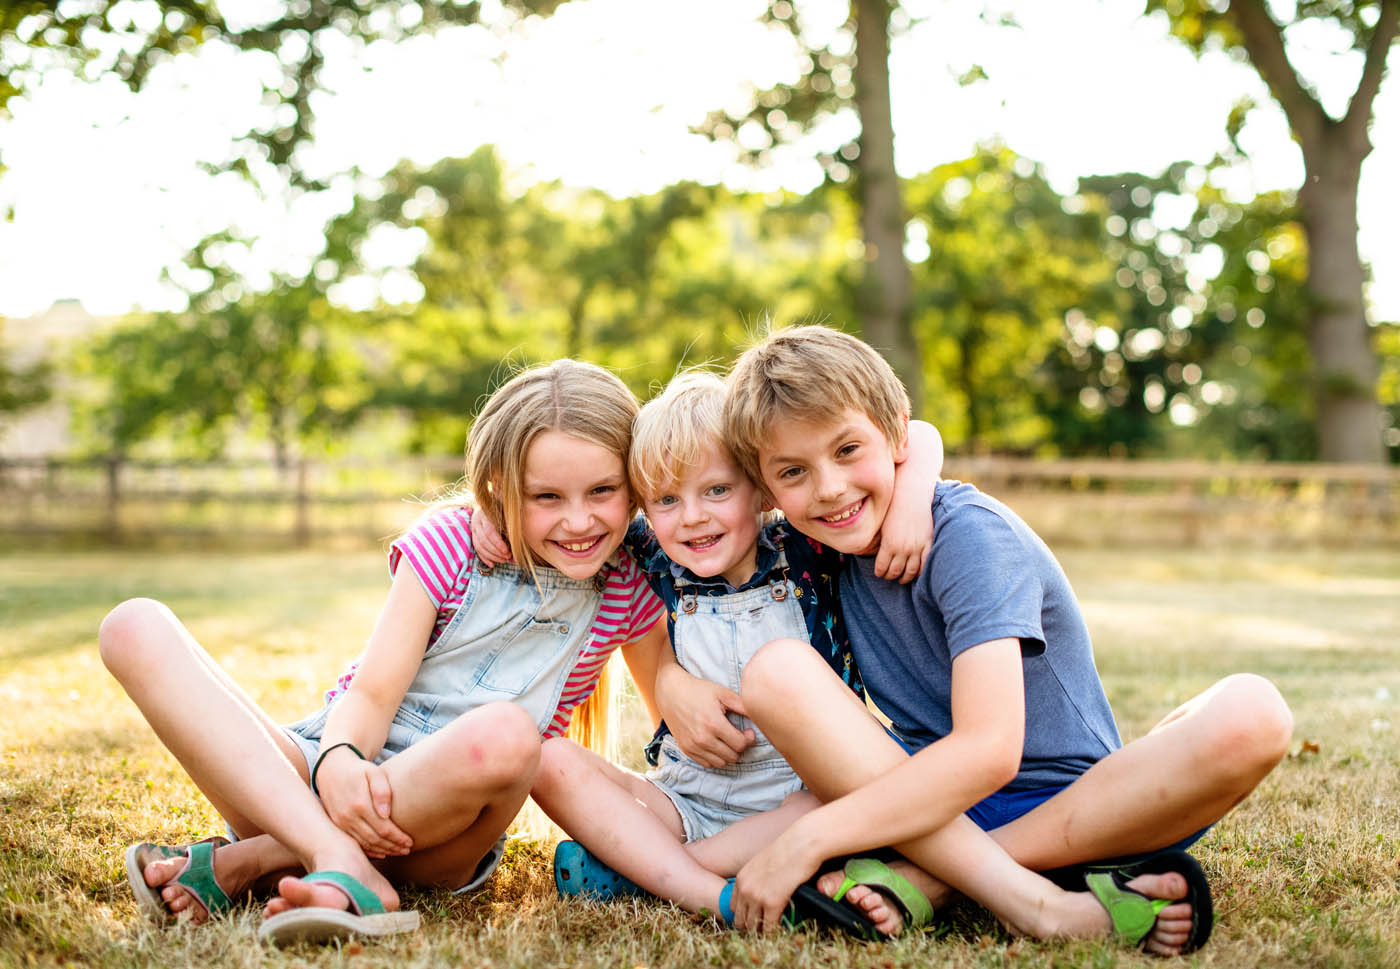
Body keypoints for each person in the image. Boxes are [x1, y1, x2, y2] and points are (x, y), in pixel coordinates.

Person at [717, 324, 1293, 955]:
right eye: (794, 472)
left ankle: (949, 881)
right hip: (925, 806)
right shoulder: (817, 546)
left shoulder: (970, 538)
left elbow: (991, 752)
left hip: (1075, 810)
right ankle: (1022, 892)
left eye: (848, 450)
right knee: (776, 670)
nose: (828, 487)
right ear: (768, 491)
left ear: (896, 440)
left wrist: (809, 840)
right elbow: (675, 529)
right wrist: (671, 682)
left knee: (1252, 712)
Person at [100, 358, 673, 944]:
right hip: (318, 782)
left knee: (507, 732)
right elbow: (371, 694)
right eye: (545, 496)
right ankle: (332, 859)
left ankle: (258, 860)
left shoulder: (631, 577)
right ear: (498, 486)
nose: (579, 520)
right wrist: (341, 760)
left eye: (602, 490)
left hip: (444, 836)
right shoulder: (450, 542)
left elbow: (670, 725)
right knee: (133, 625)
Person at [469, 369, 944, 926]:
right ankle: (701, 872)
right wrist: (489, 510)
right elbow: (567, 512)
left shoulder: (809, 546)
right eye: (667, 499)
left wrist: (913, 500)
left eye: (717, 490)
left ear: (764, 486)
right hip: (685, 798)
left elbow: (919, 434)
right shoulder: (652, 557)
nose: (693, 516)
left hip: (796, 798)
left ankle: (658, 876)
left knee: (845, 799)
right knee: (550, 759)